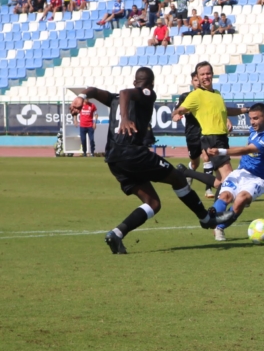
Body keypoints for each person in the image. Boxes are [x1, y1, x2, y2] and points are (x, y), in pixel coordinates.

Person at [68, 68, 227, 254]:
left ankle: (117, 234)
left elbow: (94, 91)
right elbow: (125, 92)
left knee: (152, 203)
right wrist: (125, 118)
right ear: (151, 84)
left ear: (135, 81)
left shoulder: (113, 100)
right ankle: (206, 219)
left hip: (114, 160)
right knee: (177, 178)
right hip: (133, 153)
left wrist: (82, 96)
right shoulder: (148, 94)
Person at [172, 62, 251, 197]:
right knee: (229, 175)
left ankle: (189, 173)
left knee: (220, 180)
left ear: (213, 74)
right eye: (202, 74)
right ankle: (234, 202)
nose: (205, 77)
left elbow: (225, 111)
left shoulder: (217, 93)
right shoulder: (196, 95)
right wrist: (177, 114)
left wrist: (247, 110)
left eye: (208, 73)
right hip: (212, 138)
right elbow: (179, 110)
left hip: (221, 137)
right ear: (197, 76)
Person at [204, 103, 264, 241]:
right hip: (240, 173)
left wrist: (220, 151)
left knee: (240, 200)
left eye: (256, 118)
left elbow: (248, 150)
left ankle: (219, 228)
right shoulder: (253, 130)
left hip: (257, 179)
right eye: (251, 118)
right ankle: (211, 219)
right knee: (225, 196)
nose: (252, 122)